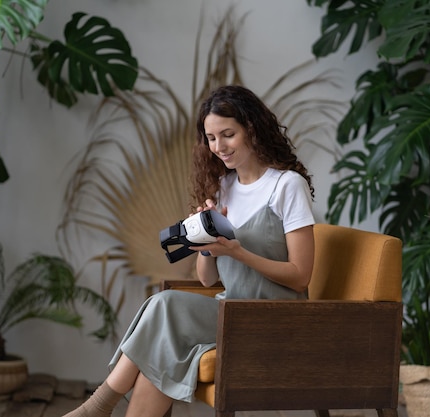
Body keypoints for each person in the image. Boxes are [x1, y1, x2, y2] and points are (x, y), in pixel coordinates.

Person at [62, 84, 315, 417]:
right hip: (231, 312)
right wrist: (207, 245)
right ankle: (99, 408)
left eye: (228, 135)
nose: (219, 147)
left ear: (252, 129)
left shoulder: (286, 186)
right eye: (211, 138)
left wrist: (238, 252)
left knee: (163, 305)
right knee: (162, 344)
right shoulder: (224, 187)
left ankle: (98, 405)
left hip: (274, 319)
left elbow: (300, 277)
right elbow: (208, 280)